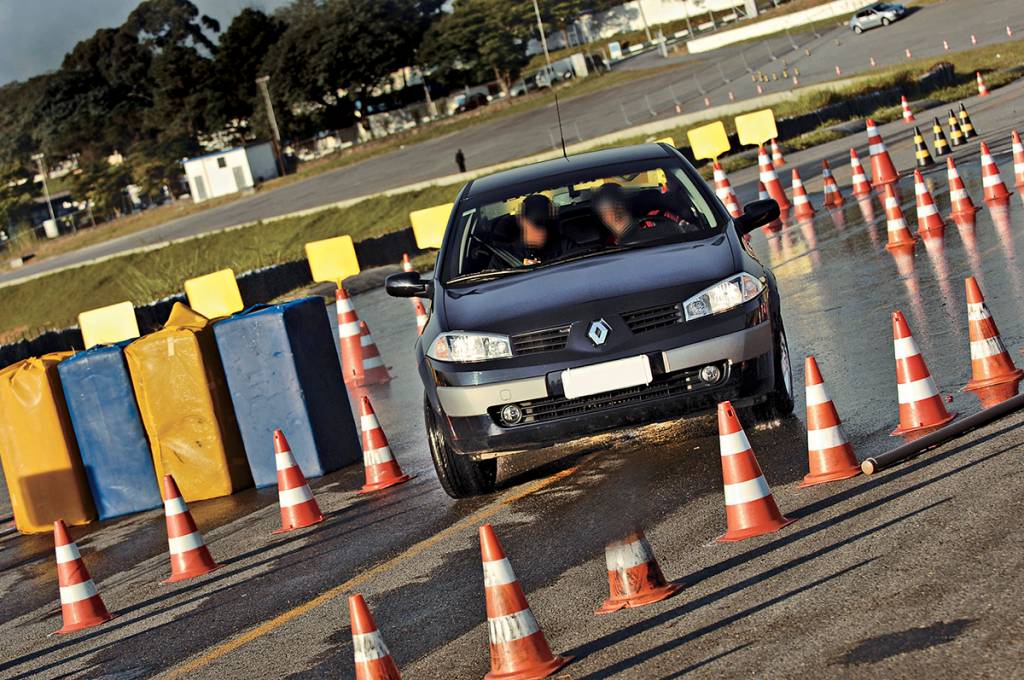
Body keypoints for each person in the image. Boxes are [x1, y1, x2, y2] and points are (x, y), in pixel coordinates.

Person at [515, 194, 564, 265]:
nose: (541, 231)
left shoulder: (563, 245)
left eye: (545, 223)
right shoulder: (508, 255)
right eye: (534, 223)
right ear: (522, 222)